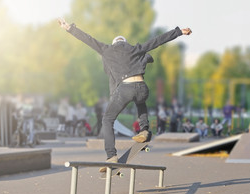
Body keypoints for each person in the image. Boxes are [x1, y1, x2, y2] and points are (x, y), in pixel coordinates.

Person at [59, 18, 191, 171]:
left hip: (125, 88)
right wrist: (179, 32)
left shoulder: (107, 49)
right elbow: (157, 41)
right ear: (125, 43)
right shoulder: (135, 49)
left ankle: (111, 156)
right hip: (142, 87)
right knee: (140, 100)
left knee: (107, 120)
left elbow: (88, 39)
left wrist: (69, 28)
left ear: (114, 43)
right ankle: (144, 129)